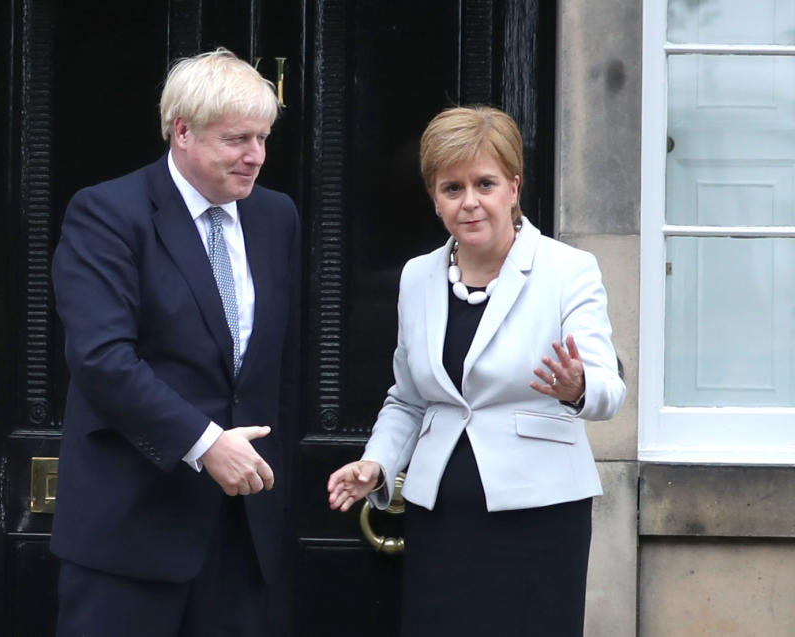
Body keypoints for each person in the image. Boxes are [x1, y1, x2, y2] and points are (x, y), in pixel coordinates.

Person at [327, 105, 625, 636]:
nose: (469, 202)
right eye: (451, 188)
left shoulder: (567, 270)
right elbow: (407, 398)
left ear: (513, 188)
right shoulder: (418, 277)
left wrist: (578, 386)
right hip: (441, 517)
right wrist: (375, 463)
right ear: (434, 198)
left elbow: (610, 390)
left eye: (484, 184)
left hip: (540, 515)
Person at [51, 48, 299, 637]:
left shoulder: (276, 217)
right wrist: (206, 443)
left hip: (244, 540)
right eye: (238, 139)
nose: (256, 157)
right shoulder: (108, 213)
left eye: (263, 138)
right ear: (182, 131)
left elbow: (280, 368)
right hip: (130, 534)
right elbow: (102, 359)